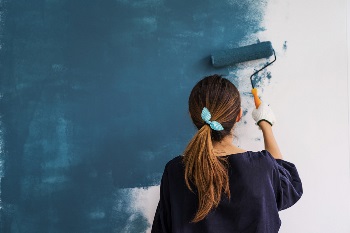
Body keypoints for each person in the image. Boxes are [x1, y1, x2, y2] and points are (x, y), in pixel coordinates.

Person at [151, 74, 303, 233]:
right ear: (239, 115)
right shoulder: (261, 167)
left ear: (192, 116)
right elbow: (288, 185)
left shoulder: (175, 171)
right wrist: (266, 125)